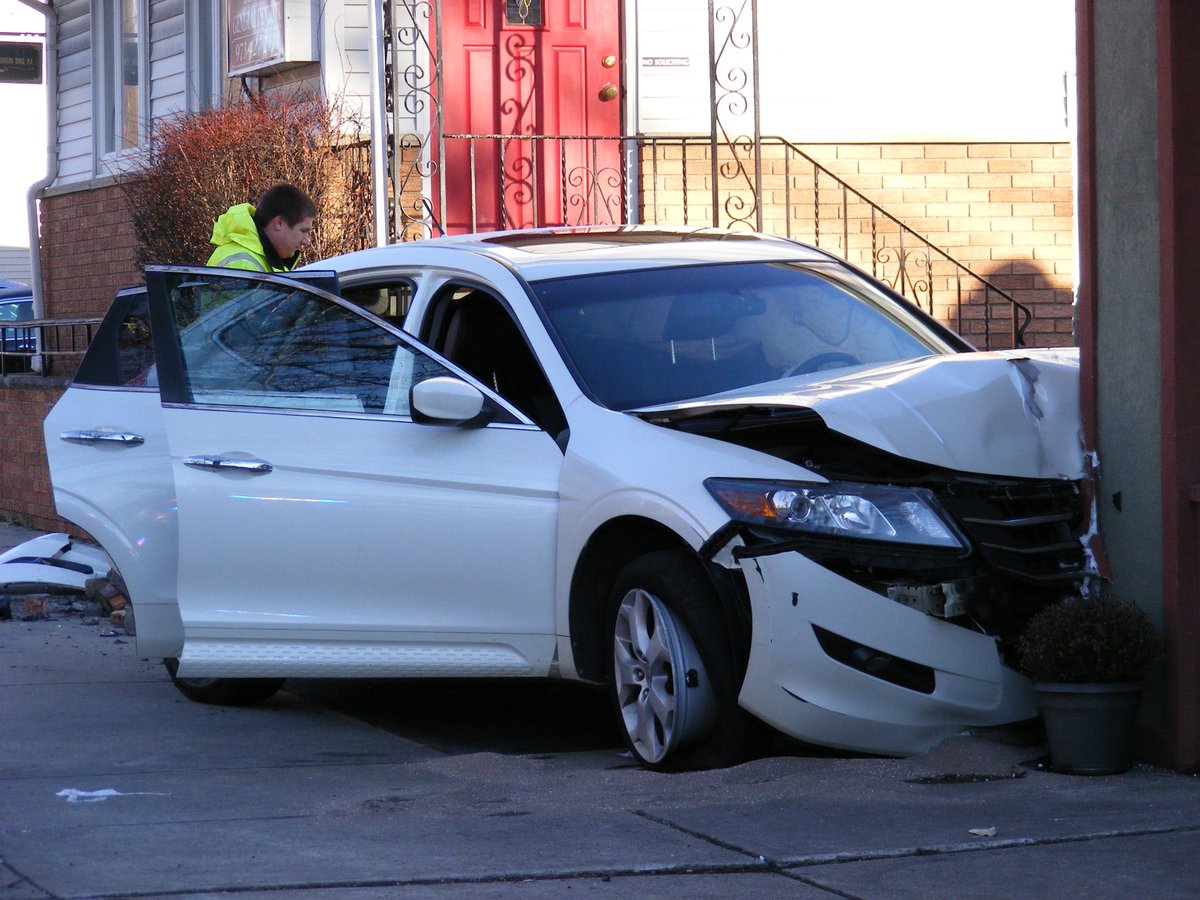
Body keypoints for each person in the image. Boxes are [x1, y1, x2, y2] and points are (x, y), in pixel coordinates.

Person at [207, 184, 316, 272]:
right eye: (303, 231)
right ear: (279, 223)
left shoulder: (260, 260)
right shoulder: (242, 265)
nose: (306, 241)